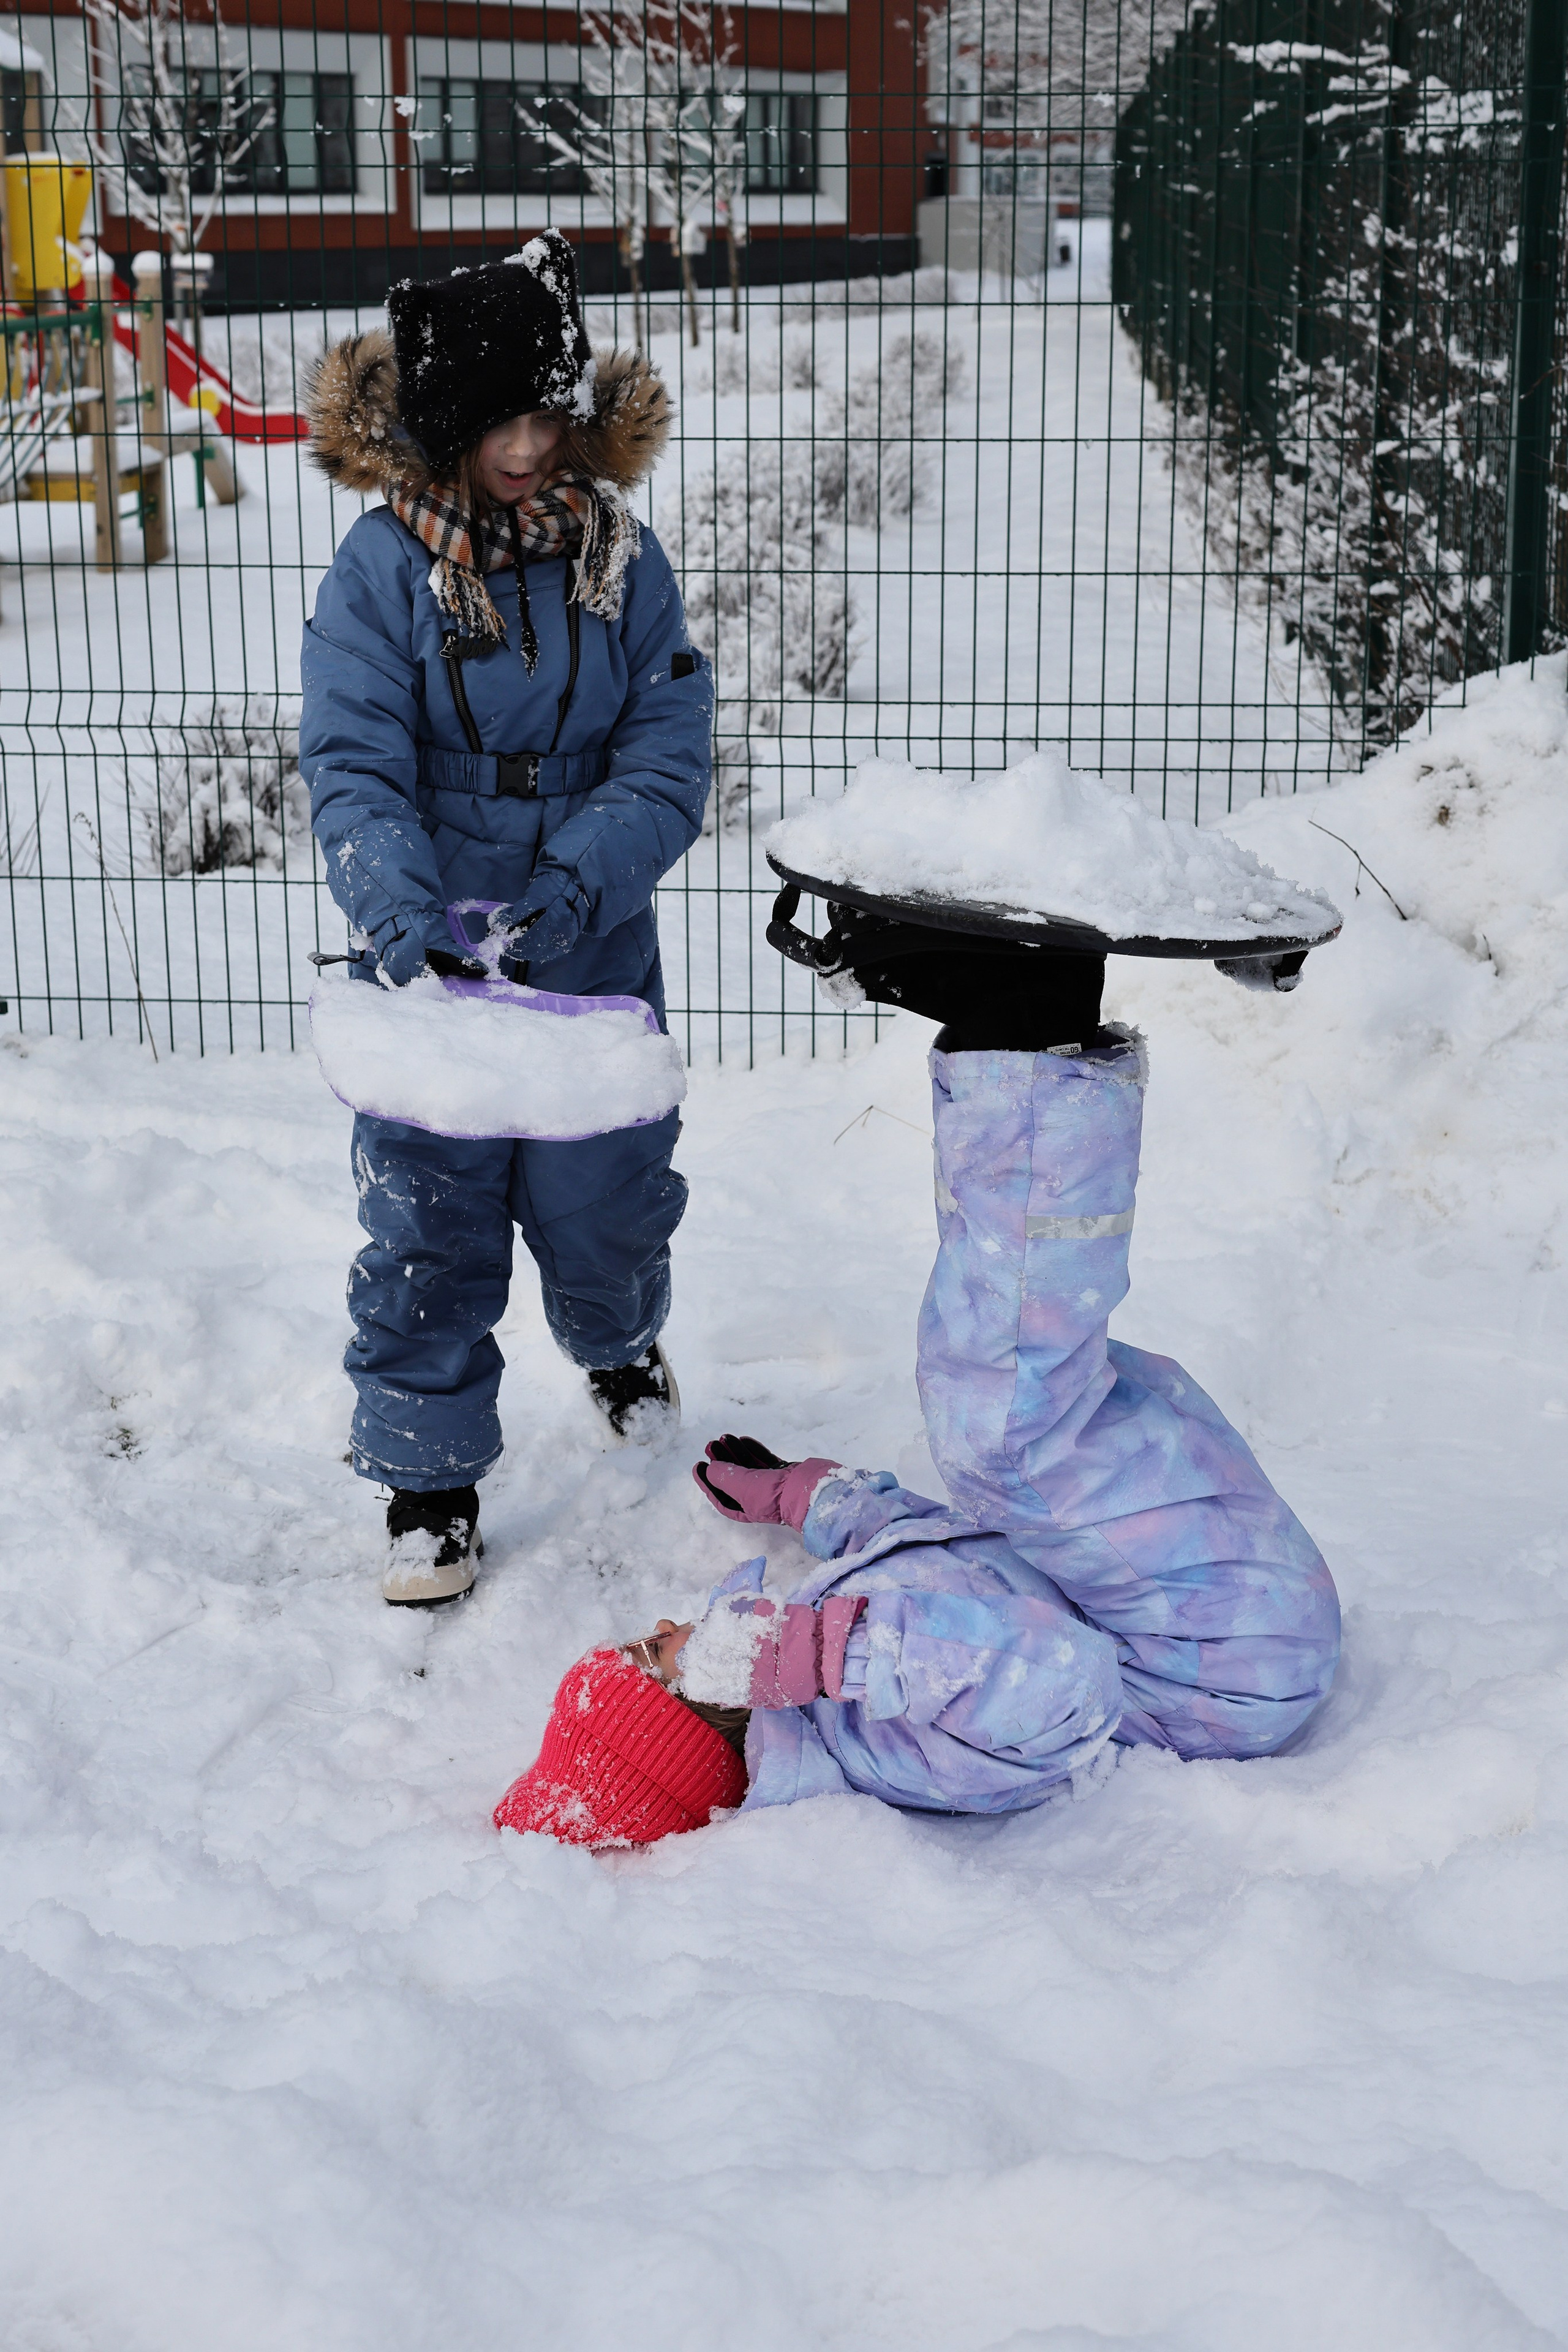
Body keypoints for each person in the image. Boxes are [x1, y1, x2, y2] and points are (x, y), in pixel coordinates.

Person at [495, 934, 1341, 1847]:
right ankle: (1023, 1035)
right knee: (1007, 1423)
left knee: (1006, 1374)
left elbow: (954, 1560)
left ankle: (1015, 1031)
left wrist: (812, 1501)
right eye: (651, 1655)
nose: (666, 1626)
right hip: (1220, 1663)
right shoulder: (876, 1745)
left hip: (1194, 1612)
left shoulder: (823, 1680)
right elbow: (1061, 1679)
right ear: (695, 1714)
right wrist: (823, 1653)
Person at [299, 233, 712, 1606]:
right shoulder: (381, 569)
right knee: (430, 1211)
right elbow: (353, 758)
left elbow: (668, 739)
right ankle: (429, 1488)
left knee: (603, 1200)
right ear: (443, 424)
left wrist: (587, 874)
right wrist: (398, 909)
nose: (531, 448)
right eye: (499, 423)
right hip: (433, 937)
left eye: (548, 414)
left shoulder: (620, 553)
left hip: (587, 922)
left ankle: (616, 1342)